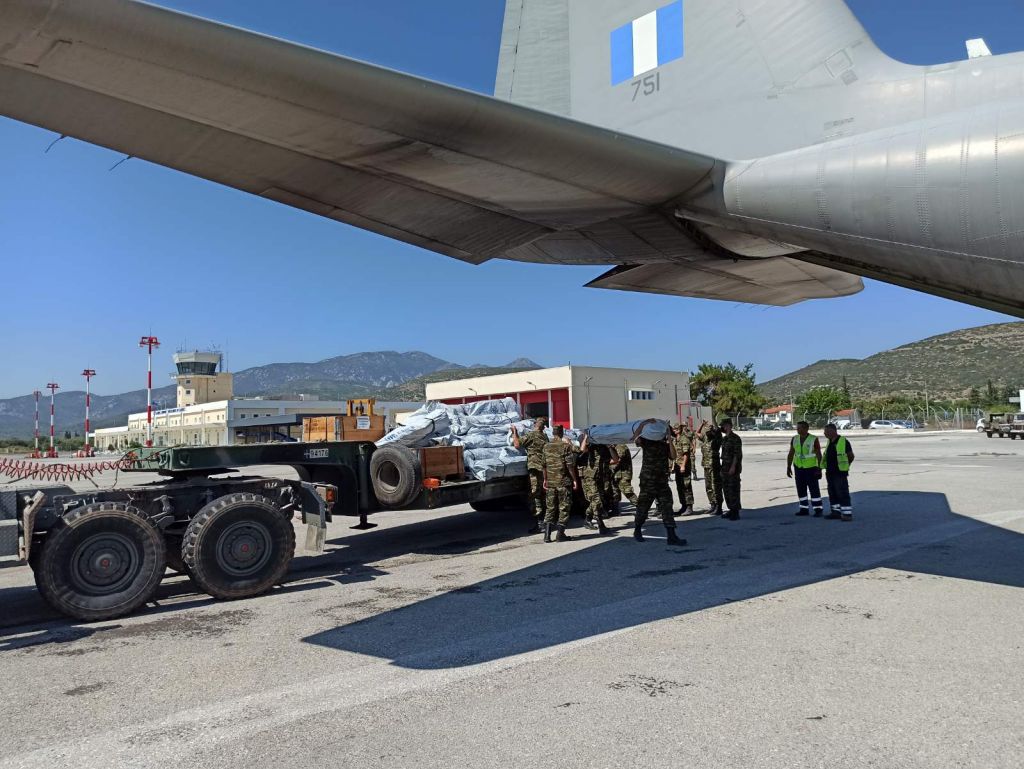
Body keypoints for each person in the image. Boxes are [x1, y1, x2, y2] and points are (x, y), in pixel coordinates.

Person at [631, 419, 686, 544]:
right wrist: (642, 425)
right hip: (648, 481)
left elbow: (673, 456)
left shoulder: (664, 445)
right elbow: (634, 438)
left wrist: (669, 439)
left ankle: (671, 536)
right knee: (643, 506)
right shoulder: (647, 441)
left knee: (667, 506)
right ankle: (637, 530)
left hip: (662, 481)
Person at [542, 425, 580, 542]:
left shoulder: (546, 446)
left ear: (553, 433)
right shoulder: (566, 447)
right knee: (564, 507)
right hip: (563, 482)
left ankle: (547, 536)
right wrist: (574, 479)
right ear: (562, 433)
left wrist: (545, 479)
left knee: (550, 508)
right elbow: (569, 466)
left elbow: (543, 466)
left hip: (551, 482)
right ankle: (560, 534)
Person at [511, 417, 548, 534]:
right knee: (543, 495)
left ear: (535, 424)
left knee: (535, 495)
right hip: (544, 469)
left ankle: (540, 523)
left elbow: (517, 444)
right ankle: (545, 521)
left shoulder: (531, 435)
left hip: (535, 470)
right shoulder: (545, 437)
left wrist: (514, 432)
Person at [786, 421, 823, 517]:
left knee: (814, 489)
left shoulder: (813, 439)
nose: (797, 430)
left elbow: (819, 454)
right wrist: (788, 466)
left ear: (806, 429)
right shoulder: (795, 439)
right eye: (797, 428)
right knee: (801, 488)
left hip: (811, 468)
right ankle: (804, 508)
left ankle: (818, 509)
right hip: (798, 468)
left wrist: (819, 468)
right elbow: (791, 453)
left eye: (799, 428)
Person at [577, 432, 611, 535]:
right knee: (597, 501)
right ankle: (601, 525)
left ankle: (587, 519)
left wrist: (610, 446)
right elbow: (582, 450)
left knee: (594, 501)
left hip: (599, 477)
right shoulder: (588, 444)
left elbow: (615, 459)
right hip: (589, 477)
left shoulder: (604, 447)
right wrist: (586, 437)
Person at [821, 424, 856, 521]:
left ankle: (847, 514)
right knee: (832, 492)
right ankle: (835, 512)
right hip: (830, 471)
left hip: (839, 472)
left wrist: (846, 466)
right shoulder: (829, 442)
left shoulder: (843, 441)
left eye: (826, 431)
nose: (824, 433)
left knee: (842, 492)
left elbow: (851, 456)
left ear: (833, 431)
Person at [697, 420, 723, 515]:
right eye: (707, 432)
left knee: (715, 486)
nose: (708, 433)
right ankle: (712, 504)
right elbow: (697, 433)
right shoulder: (705, 438)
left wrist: (715, 428)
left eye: (709, 432)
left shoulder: (716, 439)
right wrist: (702, 425)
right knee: (708, 487)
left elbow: (719, 433)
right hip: (706, 465)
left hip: (714, 466)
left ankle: (718, 506)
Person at [719, 419, 743, 520]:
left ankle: (735, 512)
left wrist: (733, 467)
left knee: (733, 489)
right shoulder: (725, 439)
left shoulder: (735, 438)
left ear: (728, 426)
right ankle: (730, 509)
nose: (723, 428)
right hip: (725, 467)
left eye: (724, 426)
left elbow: (737, 455)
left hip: (732, 468)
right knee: (726, 490)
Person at [670, 424, 696, 515]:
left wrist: (683, 465)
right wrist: (673, 466)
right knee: (679, 486)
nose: (674, 430)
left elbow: (686, 454)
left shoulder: (684, 439)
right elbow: (675, 455)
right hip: (678, 466)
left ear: (680, 429)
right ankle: (683, 506)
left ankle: (689, 507)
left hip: (683, 467)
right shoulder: (675, 440)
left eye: (676, 429)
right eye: (673, 429)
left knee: (686, 486)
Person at [610, 443, 639, 508]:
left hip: (623, 474)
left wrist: (605, 462)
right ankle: (615, 510)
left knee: (628, 492)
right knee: (615, 493)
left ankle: (641, 508)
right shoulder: (613, 446)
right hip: (616, 474)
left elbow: (619, 459)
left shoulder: (620, 445)